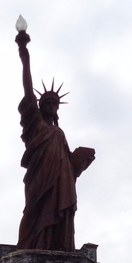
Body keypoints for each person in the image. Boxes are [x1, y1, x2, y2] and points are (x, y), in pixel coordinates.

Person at [15, 28, 95, 251]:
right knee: (33, 212)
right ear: (40, 106)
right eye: (47, 101)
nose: (51, 104)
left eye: (54, 102)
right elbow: (28, 89)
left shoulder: (59, 134)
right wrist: (24, 54)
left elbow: (69, 165)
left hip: (60, 183)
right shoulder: (35, 125)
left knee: (57, 214)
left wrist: (80, 162)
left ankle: (55, 247)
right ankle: (31, 247)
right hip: (39, 179)